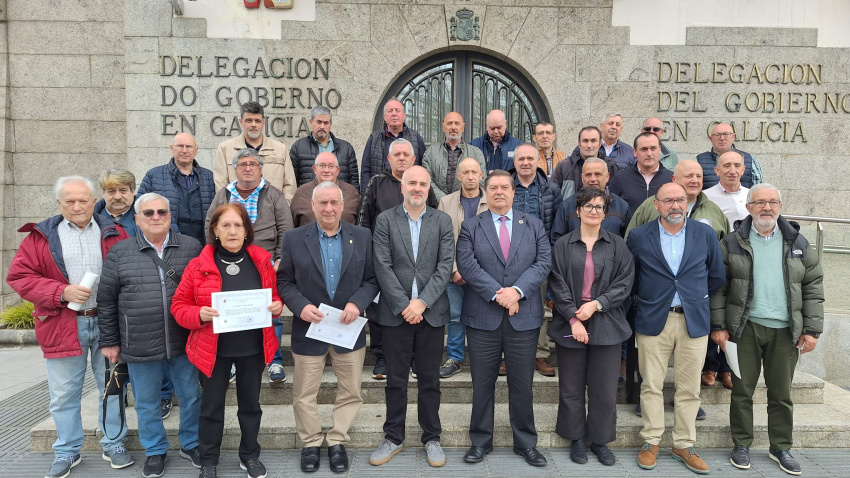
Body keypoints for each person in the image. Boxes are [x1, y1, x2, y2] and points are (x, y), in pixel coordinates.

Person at [6, 176, 132, 478]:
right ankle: (67, 450)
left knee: (112, 388)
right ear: (59, 203)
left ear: (94, 201)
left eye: (83, 200)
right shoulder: (40, 238)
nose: (77, 206)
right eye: (70, 201)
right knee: (64, 393)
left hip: (107, 322)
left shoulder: (115, 232)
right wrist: (60, 292)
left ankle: (113, 442)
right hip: (62, 322)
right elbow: (19, 277)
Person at [710, 184, 824, 476]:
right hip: (744, 328)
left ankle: (781, 447)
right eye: (760, 202)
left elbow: (813, 287)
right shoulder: (732, 242)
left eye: (773, 202)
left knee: (781, 393)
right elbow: (719, 287)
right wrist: (719, 326)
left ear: (780, 206)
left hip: (786, 331)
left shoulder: (797, 242)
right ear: (748, 207)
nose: (767, 208)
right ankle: (742, 444)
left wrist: (811, 329)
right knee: (742, 391)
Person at [171, 203, 284, 478]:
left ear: (246, 230)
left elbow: (274, 297)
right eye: (226, 225)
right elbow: (178, 306)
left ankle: (249, 456)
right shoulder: (198, 265)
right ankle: (209, 460)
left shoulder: (261, 261)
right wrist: (198, 313)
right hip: (213, 350)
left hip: (252, 347)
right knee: (210, 408)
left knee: (250, 405)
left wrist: (277, 306)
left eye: (238, 225)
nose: (232, 231)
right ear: (215, 230)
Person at [97, 193, 203, 477]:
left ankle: (191, 443)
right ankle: (155, 450)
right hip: (139, 341)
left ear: (170, 217)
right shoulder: (120, 251)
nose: (156, 217)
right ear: (137, 219)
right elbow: (106, 300)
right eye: (149, 213)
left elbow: (205, 290)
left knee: (191, 395)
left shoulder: (192, 247)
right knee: (145, 400)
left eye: (161, 212)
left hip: (185, 339)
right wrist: (109, 340)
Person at [277, 182, 380, 474]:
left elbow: (372, 279)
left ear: (343, 205)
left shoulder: (362, 236)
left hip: (349, 329)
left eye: (334, 202)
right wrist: (299, 306)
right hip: (310, 329)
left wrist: (357, 304)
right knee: (304, 394)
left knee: (350, 391)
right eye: (322, 203)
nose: (329, 208)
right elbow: (284, 281)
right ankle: (310, 442)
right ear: (312, 205)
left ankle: (337, 440)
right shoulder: (295, 238)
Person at [626, 182, 725, 475]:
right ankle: (651, 442)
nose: (675, 205)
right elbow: (630, 277)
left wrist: (693, 298)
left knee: (689, 388)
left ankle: (684, 444)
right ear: (656, 205)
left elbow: (716, 276)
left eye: (680, 200)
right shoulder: (639, 236)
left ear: (687, 203)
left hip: (693, 320)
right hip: (652, 319)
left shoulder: (704, 234)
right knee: (651, 384)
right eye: (668, 200)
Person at [456, 170, 552, 468]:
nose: (499, 192)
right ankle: (480, 441)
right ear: (485, 192)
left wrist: (518, 291)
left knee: (522, 384)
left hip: (523, 319)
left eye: (505, 187)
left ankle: (525, 443)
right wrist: (499, 294)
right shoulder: (471, 226)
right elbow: (467, 265)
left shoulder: (533, 225)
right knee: (482, 384)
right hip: (483, 317)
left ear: (513, 192)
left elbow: (543, 262)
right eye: (494, 187)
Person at [368, 166, 455, 468]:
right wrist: (405, 303)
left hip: (431, 314)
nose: (417, 188)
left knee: (430, 380)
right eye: (412, 183)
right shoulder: (385, 220)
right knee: (395, 380)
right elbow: (382, 265)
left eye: (422, 184)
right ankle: (393, 437)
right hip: (395, 313)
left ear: (429, 188)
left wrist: (422, 303)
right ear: (402, 187)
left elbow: (445, 266)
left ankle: (431, 437)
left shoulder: (442, 221)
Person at [548, 187, 634, 467]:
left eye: (599, 207)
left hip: (606, 321)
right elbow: (556, 283)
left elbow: (624, 283)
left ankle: (599, 440)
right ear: (578, 210)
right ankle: (575, 439)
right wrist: (574, 318)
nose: (594, 211)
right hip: (569, 322)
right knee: (571, 387)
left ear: (605, 213)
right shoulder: (562, 245)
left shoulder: (617, 244)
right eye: (589, 206)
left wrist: (596, 305)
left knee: (604, 389)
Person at [206, 149, 294, 383]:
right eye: (243, 164)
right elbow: (210, 224)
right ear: (234, 169)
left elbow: (286, 228)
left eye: (253, 164)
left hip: (264, 264)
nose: (248, 168)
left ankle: (273, 361)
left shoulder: (274, 194)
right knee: (231, 312)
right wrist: (214, 257)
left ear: (260, 169)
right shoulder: (223, 194)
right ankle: (234, 363)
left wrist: (279, 259)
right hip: (227, 264)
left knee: (271, 314)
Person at [358, 138, 437, 380]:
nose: (402, 158)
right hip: (382, 260)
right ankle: (382, 356)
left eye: (406, 154)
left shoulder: (423, 186)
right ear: (389, 159)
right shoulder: (376, 183)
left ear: (414, 159)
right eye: (397, 154)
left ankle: (413, 358)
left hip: (415, 262)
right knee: (382, 311)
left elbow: (432, 217)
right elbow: (363, 220)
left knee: (413, 306)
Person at [510, 142, 562, 376]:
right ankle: (507, 354)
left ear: (537, 160)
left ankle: (540, 354)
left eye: (530, 158)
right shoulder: (505, 185)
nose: (525, 163)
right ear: (515, 162)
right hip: (507, 257)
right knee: (506, 305)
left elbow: (555, 226)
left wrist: (548, 257)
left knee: (538, 309)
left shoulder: (551, 189)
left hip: (539, 258)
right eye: (521, 159)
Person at [436, 157, 488, 378]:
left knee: (484, 316)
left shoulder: (492, 201)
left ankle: (483, 358)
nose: (469, 176)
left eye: (473, 172)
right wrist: (454, 269)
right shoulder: (446, 202)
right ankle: (455, 358)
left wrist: (478, 273)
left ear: (481, 175)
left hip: (485, 273)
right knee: (455, 316)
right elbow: (442, 240)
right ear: (458, 177)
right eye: (464, 172)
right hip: (453, 272)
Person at [137, 132, 215, 245]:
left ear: (196, 150)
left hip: (204, 244)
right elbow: (140, 209)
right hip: (169, 243)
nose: (184, 150)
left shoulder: (209, 177)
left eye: (188, 146)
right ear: (172, 148)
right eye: (180, 146)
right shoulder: (154, 176)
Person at [213, 101, 297, 201]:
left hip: (272, 212)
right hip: (238, 212)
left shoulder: (280, 149)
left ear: (263, 123)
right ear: (241, 122)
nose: (253, 124)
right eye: (249, 120)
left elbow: (290, 186)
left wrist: (281, 209)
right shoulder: (225, 149)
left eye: (257, 121)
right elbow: (221, 186)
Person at [550, 158, 629, 243]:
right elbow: (556, 241)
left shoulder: (622, 206)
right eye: (588, 175)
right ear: (582, 177)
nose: (593, 179)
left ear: (607, 177)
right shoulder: (567, 206)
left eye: (598, 174)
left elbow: (627, 241)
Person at [608, 132, 673, 225]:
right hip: (628, 236)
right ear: (635, 152)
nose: (649, 153)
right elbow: (612, 212)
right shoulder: (620, 178)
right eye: (644, 149)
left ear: (660, 150)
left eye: (653, 148)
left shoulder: (671, 179)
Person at [288, 105, 360, 190]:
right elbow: (292, 182)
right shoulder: (298, 147)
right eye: (319, 122)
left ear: (331, 124)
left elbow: (354, 183)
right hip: (309, 200)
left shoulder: (346, 148)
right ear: (311, 122)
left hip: (339, 200)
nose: (322, 126)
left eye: (326, 123)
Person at [360, 99, 426, 190]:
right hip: (380, 192)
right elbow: (365, 170)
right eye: (390, 111)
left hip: (409, 191)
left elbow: (423, 168)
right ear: (384, 117)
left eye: (397, 110)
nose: (394, 114)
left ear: (404, 116)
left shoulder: (416, 138)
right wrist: (365, 195)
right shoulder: (374, 138)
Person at [421, 111, 485, 201]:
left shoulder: (476, 153)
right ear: (443, 127)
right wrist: (444, 201)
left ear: (463, 127)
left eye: (457, 123)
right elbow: (426, 179)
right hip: (436, 206)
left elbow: (481, 181)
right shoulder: (430, 152)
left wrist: (458, 201)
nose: (453, 127)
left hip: (466, 207)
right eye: (449, 123)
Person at [289, 152, 360, 227]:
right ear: (314, 169)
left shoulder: (351, 193)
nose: (326, 170)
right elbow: (292, 225)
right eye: (322, 166)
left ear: (338, 170)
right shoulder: (301, 193)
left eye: (331, 166)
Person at [552, 126, 618, 200]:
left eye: (593, 141)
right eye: (585, 141)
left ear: (600, 144)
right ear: (579, 144)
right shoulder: (564, 167)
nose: (589, 145)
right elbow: (552, 195)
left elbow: (616, 197)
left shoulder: (610, 166)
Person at [697, 122, 763, 189]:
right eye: (717, 135)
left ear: (733, 137)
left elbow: (758, 191)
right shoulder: (699, 161)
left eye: (726, 134)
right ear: (711, 139)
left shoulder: (749, 160)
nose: (722, 138)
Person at [702, 151, 750, 231]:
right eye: (727, 166)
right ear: (717, 171)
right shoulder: (705, 197)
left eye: (737, 166)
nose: (732, 171)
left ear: (743, 170)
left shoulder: (752, 195)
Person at [94, 168, 137, 236]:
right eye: (111, 191)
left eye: (123, 190)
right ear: (103, 194)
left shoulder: (147, 216)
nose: (117, 197)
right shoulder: (91, 219)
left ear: (133, 191)